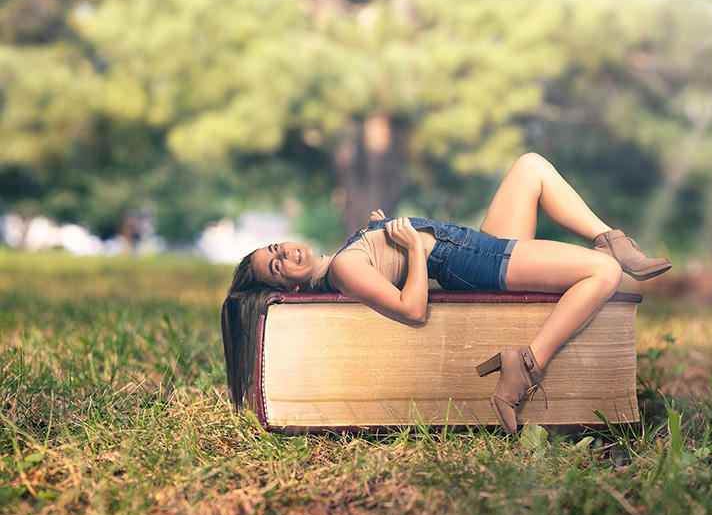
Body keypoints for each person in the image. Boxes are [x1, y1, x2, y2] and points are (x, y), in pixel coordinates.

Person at [221, 152, 670, 433]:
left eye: (277, 247)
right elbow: (412, 310)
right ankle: (528, 364)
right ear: (289, 285)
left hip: (473, 246)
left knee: (530, 166)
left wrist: (377, 230)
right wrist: (415, 248)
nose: (286, 255)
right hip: (477, 263)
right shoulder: (342, 268)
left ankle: (611, 236)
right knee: (604, 274)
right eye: (276, 267)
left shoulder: (343, 256)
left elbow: (381, 265)